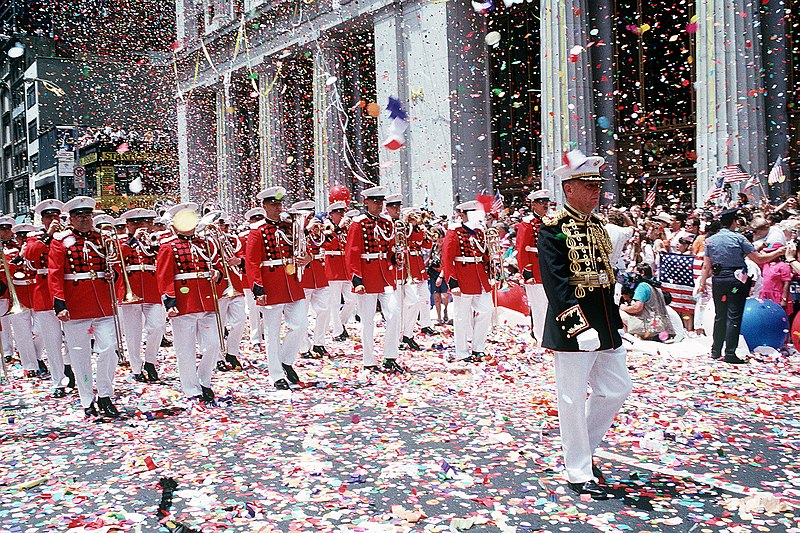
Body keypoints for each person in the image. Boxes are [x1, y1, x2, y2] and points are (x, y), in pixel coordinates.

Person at [537, 154, 631, 500]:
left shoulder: (598, 227)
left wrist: (612, 319)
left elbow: (607, 277)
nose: (596, 193)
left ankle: (584, 450)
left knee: (617, 389)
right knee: (572, 399)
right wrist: (579, 326)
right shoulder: (553, 230)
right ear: (569, 189)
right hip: (573, 327)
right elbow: (557, 285)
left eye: (597, 187)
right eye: (588, 187)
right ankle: (578, 470)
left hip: (605, 323)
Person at [49, 196, 121, 418]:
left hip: (102, 303)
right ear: (70, 219)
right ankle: (87, 398)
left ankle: (106, 395)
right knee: (80, 356)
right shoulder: (61, 240)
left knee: (109, 349)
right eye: (79, 216)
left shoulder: (102, 238)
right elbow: (54, 274)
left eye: (88, 216)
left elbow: (114, 265)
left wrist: (113, 275)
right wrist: (59, 303)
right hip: (76, 303)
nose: (84, 220)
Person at [697, 208, 785, 364]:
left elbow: (706, 265)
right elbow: (758, 259)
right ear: (734, 222)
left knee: (720, 315)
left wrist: (702, 283)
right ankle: (730, 352)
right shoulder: (740, 239)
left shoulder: (710, 240)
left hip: (718, 280)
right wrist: (778, 253)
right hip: (736, 281)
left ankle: (715, 350)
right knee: (733, 316)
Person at [245, 187, 311, 389]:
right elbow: (252, 262)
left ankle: (285, 361)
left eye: (279, 204)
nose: (277, 208)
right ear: (264, 206)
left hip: (291, 282)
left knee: (300, 325)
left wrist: (307, 259)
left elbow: (302, 251)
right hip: (271, 283)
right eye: (273, 204)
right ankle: (276, 375)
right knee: (272, 332)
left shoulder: (289, 227)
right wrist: (258, 288)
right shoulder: (257, 231)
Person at [156, 202, 222, 404]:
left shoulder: (204, 244)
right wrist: (170, 301)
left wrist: (217, 274)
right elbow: (164, 276)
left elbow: (217, 265)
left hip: (207, 300)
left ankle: (204, 380)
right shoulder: (169, 246)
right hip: (184, 302)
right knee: (185, 349)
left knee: (213, 344)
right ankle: (191, 388)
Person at [344, 185, 403, 373]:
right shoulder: (358, 223)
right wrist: (356, 279)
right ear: (366, 202)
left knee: (394, 314)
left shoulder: (387, 222)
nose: (379, 205)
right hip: (367, 274)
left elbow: (390, 247)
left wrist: (395, 257)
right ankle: (369, 360)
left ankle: (390, 356)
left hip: (385, 274)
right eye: (375, 202)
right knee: (368, 320)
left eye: (381, 202)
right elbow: (352, 252)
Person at [24, 199, 72, 397]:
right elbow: (30, 255)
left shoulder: (69, 235)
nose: (53, 220)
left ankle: (69, 366)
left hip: (68, 289)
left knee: (74, 337)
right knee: (52, 341)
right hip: (44, 292)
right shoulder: (35, 237)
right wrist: (48, 235)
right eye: (49, 217)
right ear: (42, 220)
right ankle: (59, 380)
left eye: (56, 216)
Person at [117, 208, 166, 383]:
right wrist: (133, 240)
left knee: (157, 326)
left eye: (145, 222)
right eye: (136, 223)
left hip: (152, 287)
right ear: (127, 225)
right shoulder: (120, 241)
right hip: (131, 287)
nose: (141, 226)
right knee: (133, 332)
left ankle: (150, 362)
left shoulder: (156, 241)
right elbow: (116, 259)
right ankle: (136, 367)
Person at [442, 200, 493, 363]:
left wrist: (492, 265)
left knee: (486, 310)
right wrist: (453, 282)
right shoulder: (454, 231)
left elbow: (483, 254)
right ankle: (462, 352)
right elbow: (447, 258)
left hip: (479, 275)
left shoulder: (479, 231)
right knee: (462, 317)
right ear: (462, 214)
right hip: (462, 275)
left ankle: (478, 347)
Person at [516, 189, 550, 342]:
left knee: (549, 306)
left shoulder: (549, 221)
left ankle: (549, 336)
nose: (545, 205)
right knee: (539, 307)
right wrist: (527, 272)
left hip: (550, 270)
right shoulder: (527, 224)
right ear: (533, 205)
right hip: (535, 271)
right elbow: (521, 249)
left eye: (546, 202)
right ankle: (541, 337)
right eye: (541, 203)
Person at [322, 202, 357, 341]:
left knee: (352, 299)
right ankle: (337, 331)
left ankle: (340, 323)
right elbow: (328, 243)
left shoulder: (346, 228)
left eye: (342, 212)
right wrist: (338, 228)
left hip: (345, 267)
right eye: (338, 213)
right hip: (333, 267)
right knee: (335, 302)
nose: (342, 215)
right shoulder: (327, 227)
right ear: (331, 214)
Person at [618, 263, 675, 341]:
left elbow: (637, 308)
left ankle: (624, 341)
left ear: (642, 273)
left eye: (634, 272)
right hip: (662, 325)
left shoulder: (642, 286)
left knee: (619, 313)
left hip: (649, 326)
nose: (632, 275)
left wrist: (623, 307)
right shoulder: (655, 286)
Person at [241, 207, 266, 350]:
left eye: (260, 218)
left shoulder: (269, 233)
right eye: (255, 219)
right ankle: (256, 337)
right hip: (250, 277)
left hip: (268, 274)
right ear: (249, 221)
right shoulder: (244, 236)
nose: (258, 221)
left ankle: (265, 333)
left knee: (269, 307)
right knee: (254, 308)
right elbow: (243, 256)